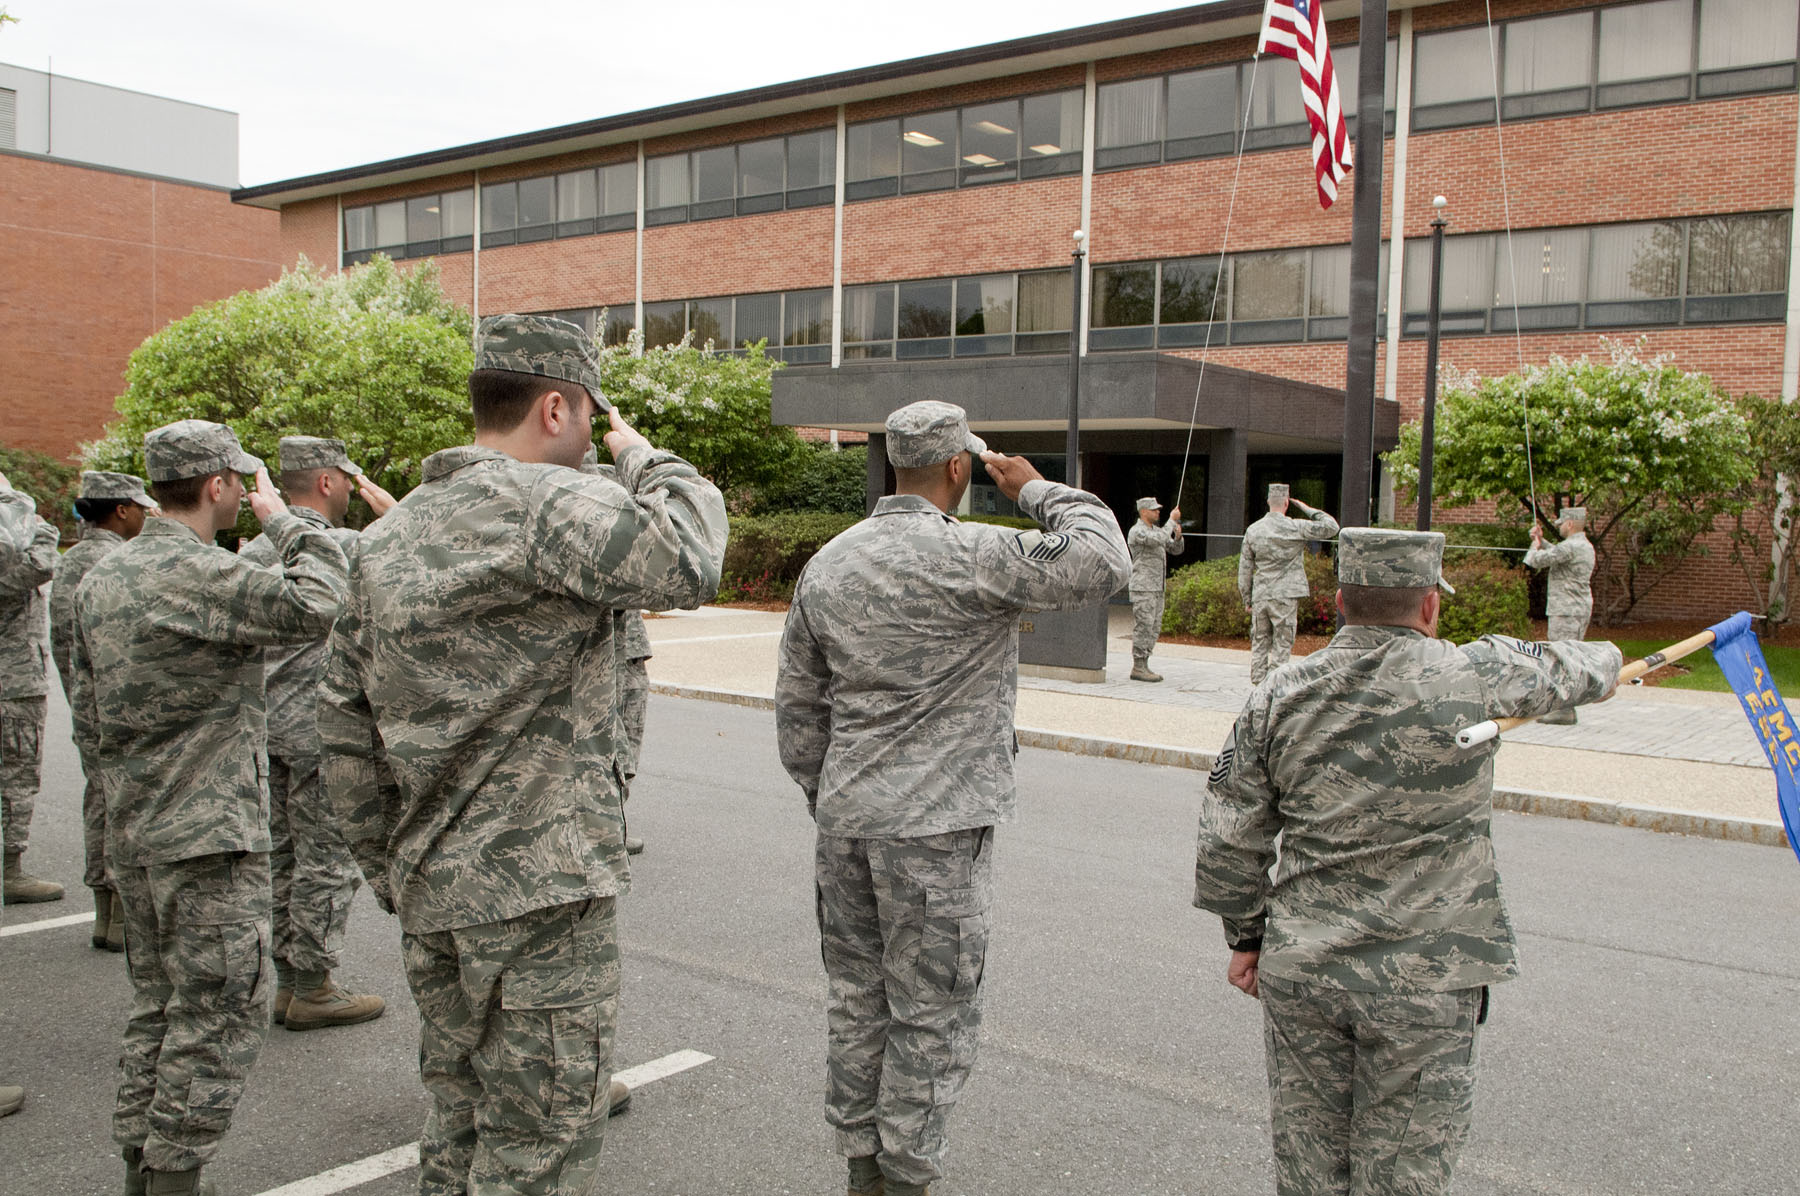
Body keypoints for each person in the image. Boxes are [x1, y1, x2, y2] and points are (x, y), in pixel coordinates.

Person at [319, 314, 727, 1196]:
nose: (590, 435)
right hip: (541, 892)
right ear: (554, 408)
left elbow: (344, 728)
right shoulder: (546, 503)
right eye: (589, 414)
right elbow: (692, 559)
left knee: (458, 1116)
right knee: (540, 1140)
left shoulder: (384, 538)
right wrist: (646, 457)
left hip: (432, 883)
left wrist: (391, 867)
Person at [1194, 527, 1622, 1196]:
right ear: (1429, 603)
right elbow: (1580, 668)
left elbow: (1228, 835)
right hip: (1427, 978)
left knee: (1309, 1172)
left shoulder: (1278, 691)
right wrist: (1613, 660)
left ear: (1340, 603)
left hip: (1305, 968)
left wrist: (1246, 936)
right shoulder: (1472, 673)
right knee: (1403, 1178)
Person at [776, 400, 1129, 1196]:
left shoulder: (829, 562)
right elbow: (1104, 560)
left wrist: (830, 792)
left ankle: (862, 1164)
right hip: (938, 828)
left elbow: (799, 707)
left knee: (858, 997)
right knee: (931, 1008)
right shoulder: (975, 553)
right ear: (959, 467)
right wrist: (1034, 488)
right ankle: (904, 1175)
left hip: (848, 820)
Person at [70, 420, 348, 1196]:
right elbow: (322, 599)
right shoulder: (200, 575)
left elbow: (87, 710)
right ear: (220, 485)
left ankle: (143, 1165)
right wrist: (286, 520)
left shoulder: (102, 579)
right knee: (219, 1011)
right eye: (242, 482)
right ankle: (175, 1178)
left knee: (159, 1005)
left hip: (136, 826)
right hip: (209, 837)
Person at [239, 436, 395, 1031]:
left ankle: (287, 981)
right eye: (347, 481)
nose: (351, 491)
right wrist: (394, 514)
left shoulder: (255, 550)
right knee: (325, 857)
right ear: (327, 482)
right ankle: (314, 986)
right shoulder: (342, 547)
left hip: (265, 726)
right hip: (321, 729)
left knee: (281, 854)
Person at [49, 470, 157, 946]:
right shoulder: (115, 562)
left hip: (86, 701)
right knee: (122, 805)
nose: (146, 515)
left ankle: (105, 913)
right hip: (117, 708)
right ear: (121, 510)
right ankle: (120, 917)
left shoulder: (72, 560)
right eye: (140, 508)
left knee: (99, 799)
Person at [0, 470, 65, 905]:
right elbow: (41, 565)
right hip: (13, 683)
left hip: (14, 681)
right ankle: (11, 871)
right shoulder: (11, 556)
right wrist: (40, 526)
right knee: (17, 778)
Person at [1238, 483, 1339, 686]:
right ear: (1286, 503)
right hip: (1286, 595)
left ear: (1268, 501)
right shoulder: (1296, 527)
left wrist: (1247, 598)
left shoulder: (1253, 530)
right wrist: (1306, 508)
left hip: (1261, 594)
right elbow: (1331, 527)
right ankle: (1274, 687)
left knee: (1259, 642)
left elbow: (1245, 569)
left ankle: (1258, 686)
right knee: (1282, 645)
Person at [1524, 506, 1597, 725]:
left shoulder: (1571, 546)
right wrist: (1541, 541)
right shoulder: (1581, 545)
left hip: (1566, 610)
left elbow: (1534, 560)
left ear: (1570, 524)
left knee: (1561, 659)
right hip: (1575, 609)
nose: (1560, 528)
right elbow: (1558, 553)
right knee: (1570, 657)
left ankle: (1563, 709)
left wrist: (1534, 545)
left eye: (1562, 524)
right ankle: (1566, 708)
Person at [1126, 496, 1183, 682]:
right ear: (1143, 512)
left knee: (1154, 627)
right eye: (1154, 509)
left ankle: (1144, 663)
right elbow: (1157, 539)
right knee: (1144, 626)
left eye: (1158, 509)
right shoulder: (1137, 531)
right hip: (1143, 588)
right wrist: (1171, 520)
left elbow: (1175, 549)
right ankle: (1138, 666)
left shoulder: (1158, 531)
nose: (1158, 512)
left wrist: (1178, 537)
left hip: (1157, 588)